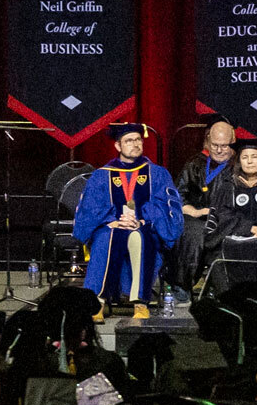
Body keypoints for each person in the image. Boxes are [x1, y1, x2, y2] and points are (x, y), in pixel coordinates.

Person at [72, 120, 184, 309]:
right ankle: (97, 302)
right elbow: (91, 207)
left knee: (141, 237)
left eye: (138, 139)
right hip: (111, 227)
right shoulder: (102, 175)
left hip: (145, 226)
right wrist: (112, 221)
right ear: (118, 145)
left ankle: (140, 301)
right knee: (106, 238)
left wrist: (142, 219)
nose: (135, 144)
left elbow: (165, 205)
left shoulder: (157, 173)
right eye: (129, 140)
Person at [198, 136, 257, 294]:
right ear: (239, 162)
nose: (249, 161)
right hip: (229, 244)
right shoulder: (227, 188)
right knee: (217, 260)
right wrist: (251, 228)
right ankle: (230, 303)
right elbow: (223, 218)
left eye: (254, 157)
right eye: (245, 157)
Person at [171, 120, 239, 288]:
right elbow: (177, 194)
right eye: (214, 145)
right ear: (208, 140)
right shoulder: (195, 164)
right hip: (198, 217)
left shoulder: (239, 165)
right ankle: (184, 284)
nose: (218, 150)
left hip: (228, 219)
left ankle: (221, 283)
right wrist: (193, 211)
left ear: (232, 141)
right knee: (192, 233)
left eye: (224, 146)